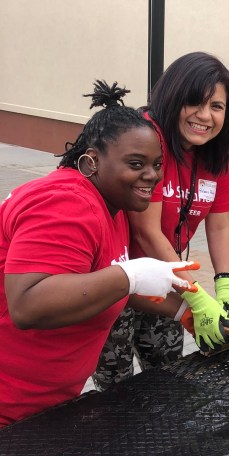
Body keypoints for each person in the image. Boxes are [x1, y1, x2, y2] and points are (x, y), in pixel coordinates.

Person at [0, 81, 198, 428]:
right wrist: (131, 274)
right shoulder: (67, 204)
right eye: (136, 163)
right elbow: (27, 304)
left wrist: (186, 311)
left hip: (41, 406)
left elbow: (99, 286)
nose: (151, 176)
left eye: (157, 164)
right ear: (92, 160)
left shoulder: (111, 205)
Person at [93, 52, 229, 391]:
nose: (205, 116)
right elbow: (146, 228)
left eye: (217, 106)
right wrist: (197, 294)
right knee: (115, 388)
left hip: (166, 280)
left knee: (169, 375)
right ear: (172, 96)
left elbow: (219, 222)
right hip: (115, 280)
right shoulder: (148, 140)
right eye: (194, 102)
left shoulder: (215, 154)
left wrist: (226, 285)